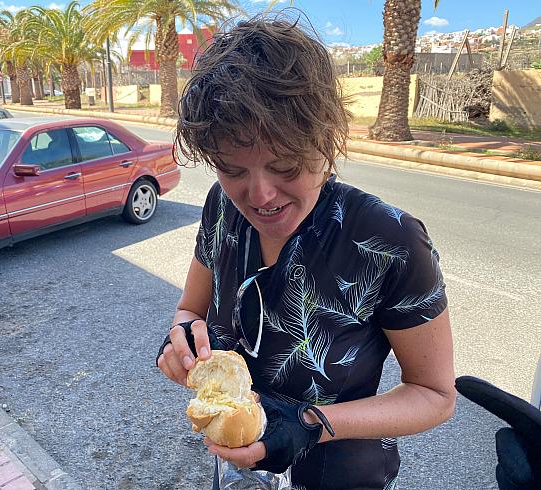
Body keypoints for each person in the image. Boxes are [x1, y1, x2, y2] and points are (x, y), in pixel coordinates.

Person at [156, 12, 456, 490]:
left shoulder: (391, 240)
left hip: (340, 471)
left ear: (326, 141)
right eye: (233, 170)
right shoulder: (220, 207)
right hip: (238, 468)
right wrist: (183, 340)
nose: (259, 195)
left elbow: (435, 395)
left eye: (286, 165)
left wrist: (311, 423)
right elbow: (191, 308)